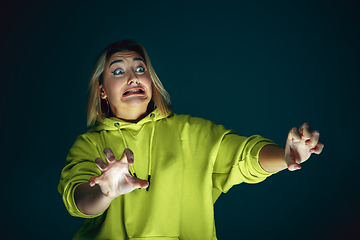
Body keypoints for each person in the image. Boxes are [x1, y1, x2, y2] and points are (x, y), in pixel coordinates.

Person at [58, 39, 323, 240]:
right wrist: (105, 191)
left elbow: (243, 156)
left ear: (151, 81)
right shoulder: (89, 145)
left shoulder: (191, 132)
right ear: (102, 90)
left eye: (140, 68)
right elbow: (79, 201)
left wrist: (285, 156)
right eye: (118, 71)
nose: (133, 77)